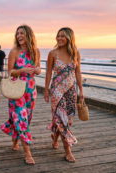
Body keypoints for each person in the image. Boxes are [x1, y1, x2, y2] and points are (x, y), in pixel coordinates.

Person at [0, 25, 41, 165]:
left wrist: (37, 70)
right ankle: (27, 153)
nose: (19, 36)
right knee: (21, 118)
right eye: (17, 33)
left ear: (28, 35)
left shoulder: (36, 51)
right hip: (16, 89)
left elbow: (38, 68)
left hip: (30, 89)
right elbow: (9, 72)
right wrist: (22, 69)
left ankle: (15, 139)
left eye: (22, 33)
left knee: (26, 119)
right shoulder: (14, 52)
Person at [44, 27, 84, 163]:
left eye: (62, 36)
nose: (59, 38)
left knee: (68, 120)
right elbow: (49, 72)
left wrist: (81, 92)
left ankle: (55, 137)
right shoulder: (52, 53)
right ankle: (68, 151)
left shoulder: (76, 54)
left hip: (71, 91)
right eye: (58, 36)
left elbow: (78, 73)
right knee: (62, 119)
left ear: (69, 38)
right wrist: (46, 90)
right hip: (57, 91)